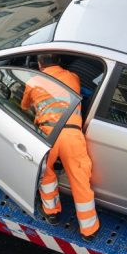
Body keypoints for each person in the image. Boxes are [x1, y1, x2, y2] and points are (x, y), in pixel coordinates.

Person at [20, 54, 99, 241]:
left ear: (39, 64)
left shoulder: (33, 81)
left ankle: (52, 213)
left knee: (46, 174)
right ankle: (89, 230)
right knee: (80, 180)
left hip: (47, 135)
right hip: (72, 134)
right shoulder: (73, 77)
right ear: (60, 61)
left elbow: (24, 107)